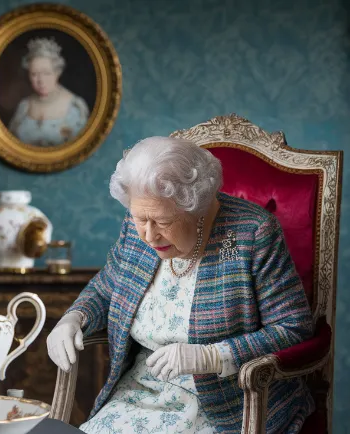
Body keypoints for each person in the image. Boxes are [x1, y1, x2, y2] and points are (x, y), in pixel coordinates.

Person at [46, 137, 315, 433]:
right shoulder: (138, 227)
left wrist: (213, 355)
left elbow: (292, 327)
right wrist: (75, 317)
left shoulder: (251, 234)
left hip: (227, 402)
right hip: (140, 392)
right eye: (140, 218)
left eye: (162, 221)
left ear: (195, 208)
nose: (148, 235)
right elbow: (106, 287)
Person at [7, 37, 89, 147]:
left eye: (46, 73)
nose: (40, 80)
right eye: (34, 74)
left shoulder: (76, 107)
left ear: (57, 72)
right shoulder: (24, 106)